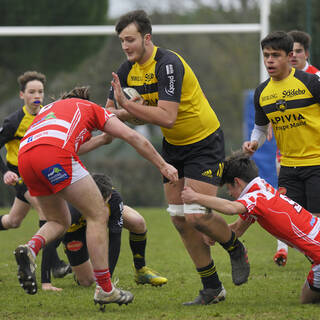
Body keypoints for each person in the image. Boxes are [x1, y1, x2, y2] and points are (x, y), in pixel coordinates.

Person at [105, 10, 250, 305]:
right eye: (121, 41)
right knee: (180, 221)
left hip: (204, 142)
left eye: (130, 39)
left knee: (196, 215)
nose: (125, 46)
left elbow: (167, 117)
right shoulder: (125, 70)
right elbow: (111, 116)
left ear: (147, 38)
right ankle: (212, 288)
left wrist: (128, 108)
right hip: (174, 147)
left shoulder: (168, 64)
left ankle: (235, 247)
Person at [14, 86, 178, 309]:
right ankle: (105, 289)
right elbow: (132, 136)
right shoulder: (91, 108)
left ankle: (30, 249)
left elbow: (67, 145)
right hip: (54, 154)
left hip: (26, 157)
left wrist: (101, 141)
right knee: (98, 213)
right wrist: (163, 165)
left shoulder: (50, 109)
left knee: (59, 221)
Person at [181, 151, 320, 304]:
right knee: (307, 298)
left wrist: (196, 197)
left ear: (237, 182)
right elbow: (237, 229)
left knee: (307, 301)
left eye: (229, 188)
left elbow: (230, 208)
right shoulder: (262, 187)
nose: (230, 193)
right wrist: (214, 234)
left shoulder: (256, 198)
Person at [0, 71, 70, 292]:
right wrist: (5, 172)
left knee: (13, 221)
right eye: (31, 92)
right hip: (21, 176)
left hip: (42, 175)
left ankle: (56, 264)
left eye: (40, 91)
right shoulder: (13, 121)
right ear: (22, 95)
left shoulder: (48, 115)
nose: (36, 95)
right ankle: (49, 275)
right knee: (49, 216)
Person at [63, 173, 167, 287]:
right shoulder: (73, 207)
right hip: (76, 229)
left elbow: (115, 239)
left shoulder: (112, 197)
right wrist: (46, 281)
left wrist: (107, 280)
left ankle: (140, 270)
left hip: (99, 218)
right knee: (87, 281)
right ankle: (80, 270)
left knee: (137, 222)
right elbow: (51, 236)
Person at [272, 30, 320, 266]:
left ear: (305, 54)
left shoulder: (315, 79)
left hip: (314, 155)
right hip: (287, 153)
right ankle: (282, 249)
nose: (295, 56)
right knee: (286, 206)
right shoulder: (276, 81)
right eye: (292, 52)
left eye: (299, 51)